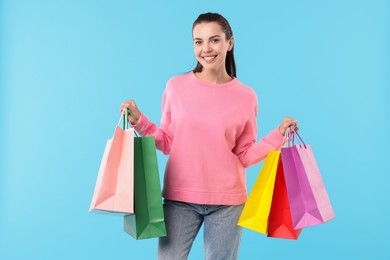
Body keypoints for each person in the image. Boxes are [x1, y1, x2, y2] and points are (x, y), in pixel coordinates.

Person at [121, 12, 298, 260]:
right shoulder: (176, 87)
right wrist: (140, 121)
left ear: (230, 43)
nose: (206, 49)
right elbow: (167, 142)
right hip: (179, 198)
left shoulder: (246, 96)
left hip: (228, 203)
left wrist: (278, 135)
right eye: (198, 41)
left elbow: (245, 155)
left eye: (214, 40)